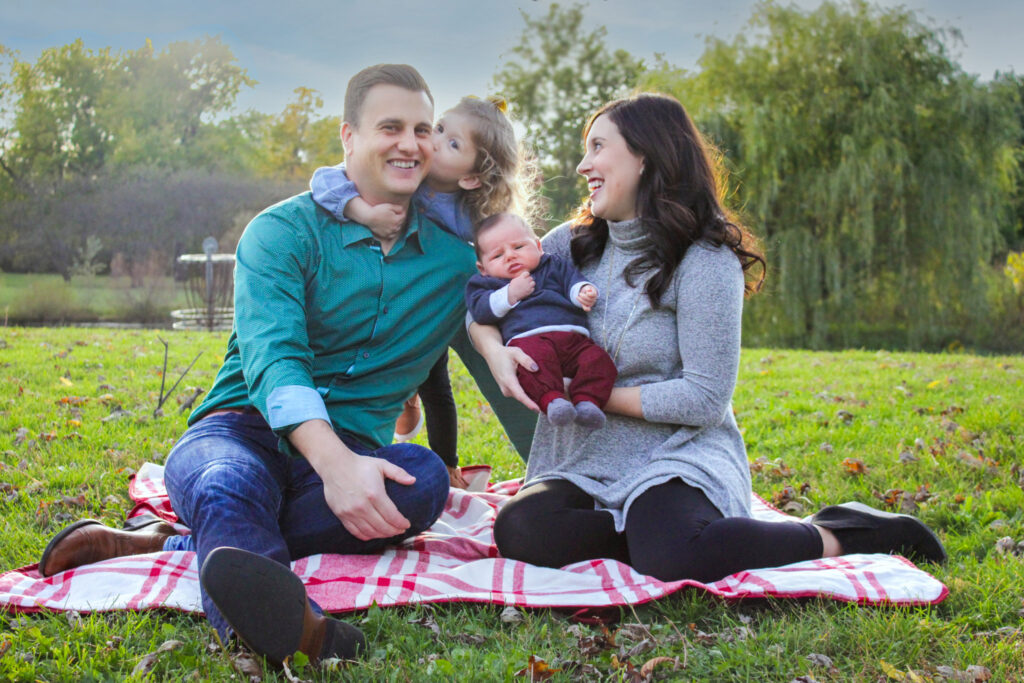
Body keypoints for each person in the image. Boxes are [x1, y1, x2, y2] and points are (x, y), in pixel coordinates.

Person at [36, 64, 536, 666]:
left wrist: (570, 480)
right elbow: (276, 365)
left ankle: (172, 543)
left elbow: (509, 378)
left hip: (358, 442)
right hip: (240, 426)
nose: (410, 142)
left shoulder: (458, 266)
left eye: (423, 128)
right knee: (228, 482)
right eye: (391, 126)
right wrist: (337, 468)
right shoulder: (280, 231)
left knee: (422, 481)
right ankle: (304, 632)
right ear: (349, 136)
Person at [472, 93, 946, 583]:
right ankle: (650, 535)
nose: (581, 164)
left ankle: (845, 531)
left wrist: (590, 394)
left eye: (597, 147)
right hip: (581, 457)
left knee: (675, 556)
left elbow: (704, 398)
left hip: (676, 451)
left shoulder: (705, 260)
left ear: (644, 155)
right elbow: (479, 298)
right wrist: (495, 352)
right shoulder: (567, 245)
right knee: (522, 529)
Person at [311, 95, 533, 486]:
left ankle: (542, 455)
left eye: (451, 143)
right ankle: (373, 428)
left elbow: (498, 244)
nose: (432, 141)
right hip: (378, 295)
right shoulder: (398, 171)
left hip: (432, 301)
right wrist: (363, 212)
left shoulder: (467, 215)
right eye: (440, 128)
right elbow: (324, 180)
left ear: (469, 177)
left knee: (456, 368)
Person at [466, 212, 617, 429]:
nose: (510, 256)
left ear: (538, 246)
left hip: (574, 339)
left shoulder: (553, 264)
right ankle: (553, 401)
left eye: (518, 247)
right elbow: (480, 311)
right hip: (529, 341)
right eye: (497, 256)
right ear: (483, 268)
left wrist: (582, 291)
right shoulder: (486, 284)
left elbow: (572, 281)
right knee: (533, 367)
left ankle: (588, 401)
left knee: (597, 360)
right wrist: (510, 294)